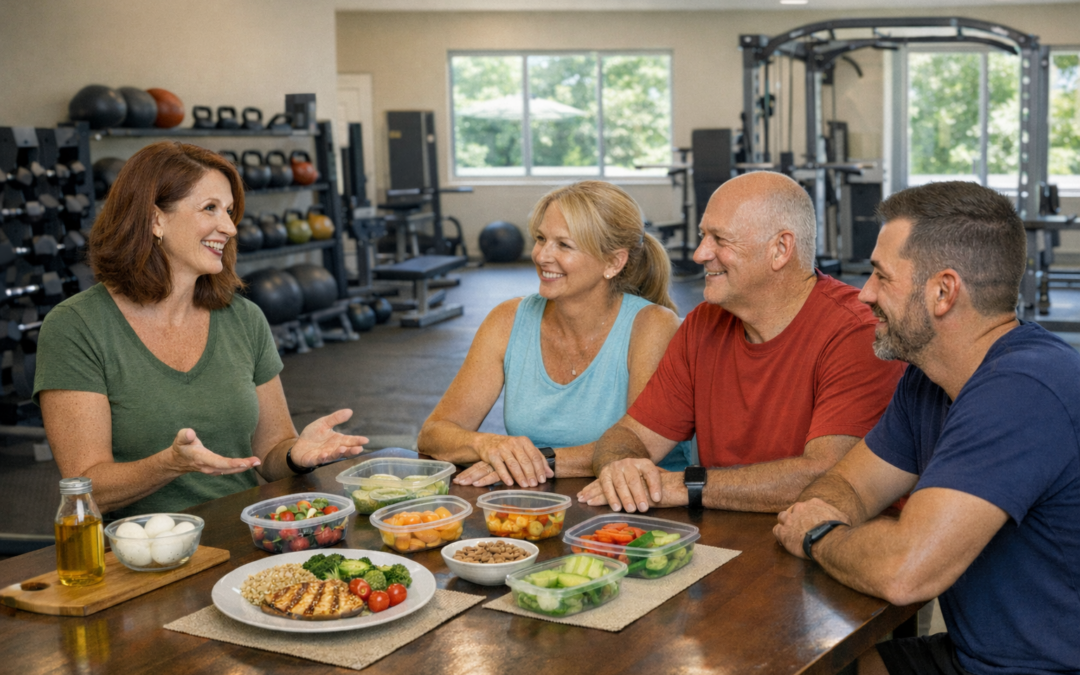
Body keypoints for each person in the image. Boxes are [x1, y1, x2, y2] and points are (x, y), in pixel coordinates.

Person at [773, 181, 1080, 675]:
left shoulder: (1023, 388)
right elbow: (849, 484)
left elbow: (905, 572)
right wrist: (832, 515)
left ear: (943, 292)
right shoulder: (928, 381)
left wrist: (819, 535)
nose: (865, 293)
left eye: (880, 276)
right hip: (970, 657)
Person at [34, 142, 368, 518]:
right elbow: (87, 489)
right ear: (154, 219)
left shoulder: (244, 318)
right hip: (139, 555)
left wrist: (296, 455)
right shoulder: (77, 327)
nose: (228, 227)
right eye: (209, 208)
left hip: (241, 540)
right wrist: (170, 464)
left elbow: (271, 450)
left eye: (228, 210)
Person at [578, 171, 904, 513]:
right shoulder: (702, 324)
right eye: (704, 236)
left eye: (720, 239)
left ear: (780, 249)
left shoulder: (857, 332)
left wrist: (683, 484)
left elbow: (828, 476)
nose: (700, 253)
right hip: (728, 535)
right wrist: (620, 466)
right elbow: (629, 436)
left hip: (830, 543)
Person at [417, 180, 691, 487]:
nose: (542, 256)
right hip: (544, 501)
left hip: (642, 506)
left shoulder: (652, 325)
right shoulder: (507, 320)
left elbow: (635, 449)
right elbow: (433, 433)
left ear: (613, 262)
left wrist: (534, 460)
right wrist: (488, 445)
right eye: (540, 238)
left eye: (564, 245)